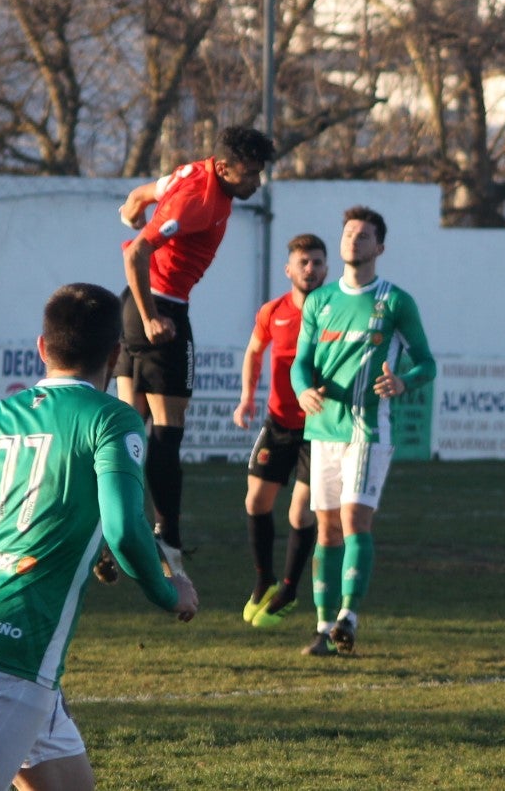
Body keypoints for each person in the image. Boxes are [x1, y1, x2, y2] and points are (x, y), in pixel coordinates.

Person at [0, 282, 199, 791]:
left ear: (42, 348)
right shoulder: (112, 419)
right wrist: (169, 591)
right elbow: (125, 531)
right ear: (115, 355)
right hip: (11, 658)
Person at [114, 126, 276, 577]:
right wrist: (152, 318)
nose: (256, 182)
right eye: (250, 173)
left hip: (135, 305)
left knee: (129, 429)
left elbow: (145, 193)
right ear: (224, 168)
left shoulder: (193, 172)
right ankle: (166, 538)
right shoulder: (199, 201)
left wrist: (132, 208)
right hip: (160, 307)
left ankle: (111, 532)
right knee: (167, 431)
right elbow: (136, 254)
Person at [291, 206, 436, 657]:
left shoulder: (395, 302)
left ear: (380, 247)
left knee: (354, 520)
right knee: (326, 529)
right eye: (349, 233)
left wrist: (403, 382)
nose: (354, 239)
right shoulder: (319, 301)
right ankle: (323, 628)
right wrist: (302, 390)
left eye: (364, 235)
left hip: (367, 429)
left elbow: (426, 364)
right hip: (323, 428)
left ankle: (348, 618)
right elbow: (301, 362)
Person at [233, 233, 328, 628]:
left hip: (318, 427)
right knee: (256, 501)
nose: (311, 269)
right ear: (288, 269)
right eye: (303, 262)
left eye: (317, 262)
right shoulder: (273, 311)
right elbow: (255, 351)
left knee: (299, 511)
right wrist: (247, 397)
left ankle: (288, 589)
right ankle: (264, 579)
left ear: (326, 268)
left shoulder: (334, 311)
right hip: (278, 422)